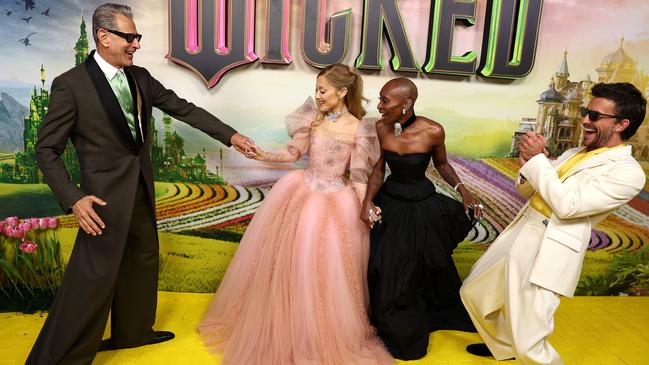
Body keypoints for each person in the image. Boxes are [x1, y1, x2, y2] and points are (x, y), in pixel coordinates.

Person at [27, 3, 254, 364]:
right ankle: (57, 357)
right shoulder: (70, 85)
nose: (135, 44)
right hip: (99, 202)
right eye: (128, 37)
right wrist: (74, 199)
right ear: (102, 37)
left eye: (137, 37)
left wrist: (231, 136)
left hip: (141, 190)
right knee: (92, 279)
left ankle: (133, 334)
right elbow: (46, 150)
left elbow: (184, 108)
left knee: (141, 260)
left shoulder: (140, 78)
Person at [198, 64, 393, 365]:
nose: (317, 96)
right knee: (293, 265)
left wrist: (366, 205)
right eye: (316, 90)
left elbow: (357, 177)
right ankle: (289, 327)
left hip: (334, 203)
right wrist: (262, 154)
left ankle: (320, 335)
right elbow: (292, 155)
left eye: (323, 91)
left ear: (342, 92)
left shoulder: (360, 129)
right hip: (301, 195)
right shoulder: (312, 119)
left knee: (329, 273)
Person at [460, 82, 647, 365]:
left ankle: (524, 350)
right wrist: (529, 166)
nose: (584, 119)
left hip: (551, 244)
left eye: (594, 116)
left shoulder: (627, 173)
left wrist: (538, 162)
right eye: (586, 112)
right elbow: (532, 190)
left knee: (531, 338)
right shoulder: (574, 154)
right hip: (524, 227)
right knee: (473, 292)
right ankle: (506, 347)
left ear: (622, 124)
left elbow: (568, 206)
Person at [360, 77, 483, 360]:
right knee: (387, 267)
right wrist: (367, 202)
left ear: (407, 104)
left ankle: (423, 311)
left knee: (423, 265)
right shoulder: (381, 127)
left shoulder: (433, 130)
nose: (379, 106)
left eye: (384, 101)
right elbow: (379, 171)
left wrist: (462, 190)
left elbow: (442, 164)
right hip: (391, 204)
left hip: (422, 207)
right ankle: (393, 321)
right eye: (379, 100)